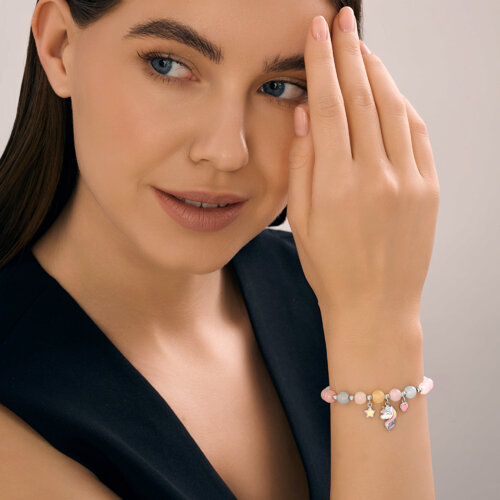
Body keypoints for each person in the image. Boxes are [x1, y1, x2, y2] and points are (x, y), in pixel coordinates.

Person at [0, 0, 438, 499]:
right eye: (168, 65)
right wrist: (380, 330)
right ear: (60, 46)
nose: (228, 152)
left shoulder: (336, 287)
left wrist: (377, 315)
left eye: (280, 87)